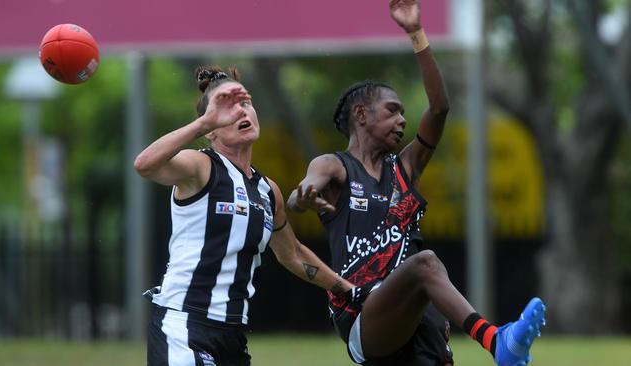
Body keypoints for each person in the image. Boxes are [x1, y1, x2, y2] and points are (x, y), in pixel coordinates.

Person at [287, 1, 546, 365]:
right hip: (363, 313)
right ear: (360, 115)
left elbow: (439, 108)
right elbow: (299, 195)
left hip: (417, 313)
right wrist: (305, 196)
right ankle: (496, 340)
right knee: (425, 263)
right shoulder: (335, 166)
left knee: (422, 274)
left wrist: (416, 33)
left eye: (404, 113)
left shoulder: (405, 167)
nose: (402, 120)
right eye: (392, 110)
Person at [134, 66, 354, 366]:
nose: (241, 112)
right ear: (211, 129)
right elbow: (144, 165)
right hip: (184, 327)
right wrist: (202, 122)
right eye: (227, 108)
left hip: (232, 336)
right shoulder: (200, 166)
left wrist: (350, 291)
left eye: (245, 104)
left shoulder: (267, 190)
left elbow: (293, 254)